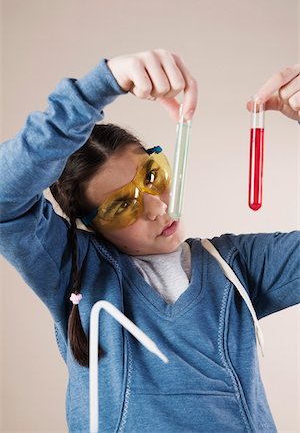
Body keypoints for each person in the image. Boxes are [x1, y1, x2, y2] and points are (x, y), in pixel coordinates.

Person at [0, 49, 299, 433]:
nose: (158, 208)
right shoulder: (76, 270)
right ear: (90, 224)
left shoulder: (236, 265)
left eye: (152, 176)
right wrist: (98, 87)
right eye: (123, 205)